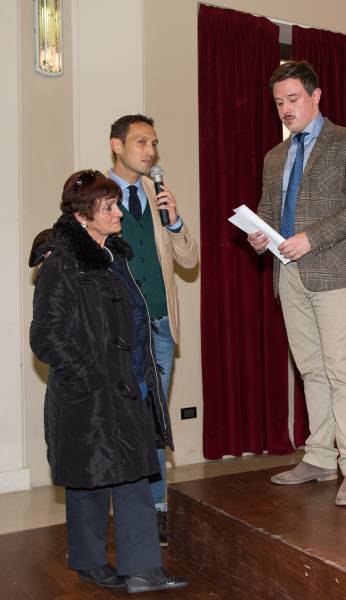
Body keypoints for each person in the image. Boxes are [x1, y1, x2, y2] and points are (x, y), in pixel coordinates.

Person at [30, 170, 187, 593]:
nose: (119, 213)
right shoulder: (61, 264)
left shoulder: (114, 256)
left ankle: (131, 567)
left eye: (117, 204)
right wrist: (91, 375)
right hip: (90, 390)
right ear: (83, 216)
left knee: (129, 474)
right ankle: (106, 563)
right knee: (94, 477)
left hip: (128, 383)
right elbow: (45, 336)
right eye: (109, 207)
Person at [247, 61, 346, 506]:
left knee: (343, 369)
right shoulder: (275, 156)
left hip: (336, 271)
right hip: (288, 272)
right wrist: (259, 235)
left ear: (316, 96)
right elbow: (268, 211)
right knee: (310, 369)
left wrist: (312, 237)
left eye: (293, 99)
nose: (285, 109)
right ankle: (320, 457)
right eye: (278, 103)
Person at [108, 114, 198, 543]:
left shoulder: (156, 194)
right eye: (141, 142)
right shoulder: (98, 194)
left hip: (160, 325)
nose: (150, 151)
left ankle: (157, 507)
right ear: (117, 145)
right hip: (121, 330)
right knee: (123, 419)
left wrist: (175, 221)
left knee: (153, 419)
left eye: (154, 143)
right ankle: (126, 506)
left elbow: (189, 260)